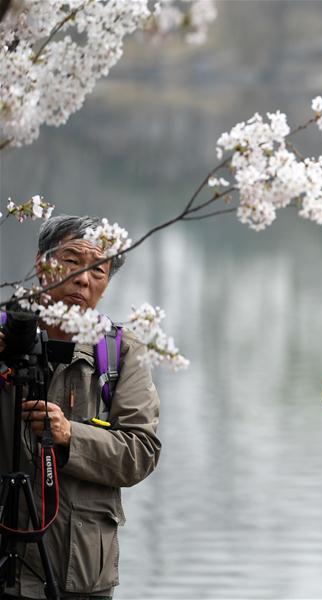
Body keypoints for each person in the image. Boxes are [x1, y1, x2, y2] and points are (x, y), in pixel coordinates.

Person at [0, 215, 162, 599]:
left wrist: (71, 435)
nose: (83, 279)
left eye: (98, 270)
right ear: (43, 264)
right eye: (72, 261)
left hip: (80, 571)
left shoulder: (121, 353)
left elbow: (141, 452)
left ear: (105, 286)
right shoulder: (5, 336)